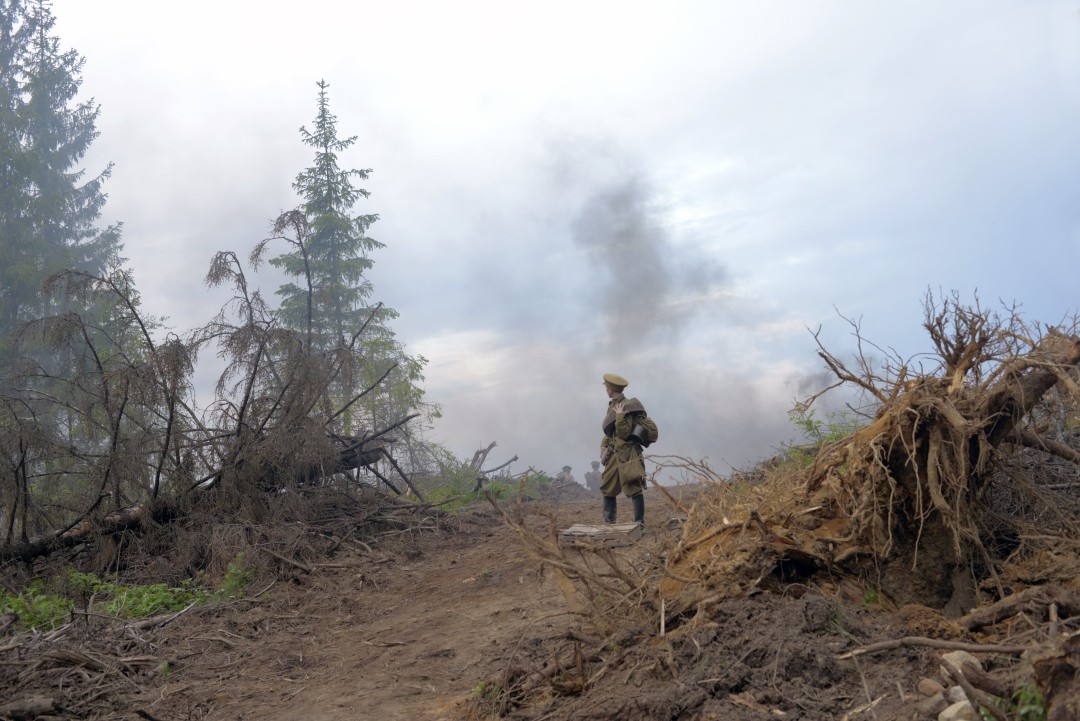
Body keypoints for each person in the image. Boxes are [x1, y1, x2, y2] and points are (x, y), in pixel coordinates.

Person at [599, 373, 647, 528]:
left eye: (607, 387)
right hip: (614, 452)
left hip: (627, 453)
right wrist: (603, 444)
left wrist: (620, 416)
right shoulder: (613, 405)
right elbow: (610, 432)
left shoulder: (626, 406)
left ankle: (639, 524)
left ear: (611, 389)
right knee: (608, 486)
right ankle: (609, 523)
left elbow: (624, 433)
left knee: (633, 486)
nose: (606, 390)